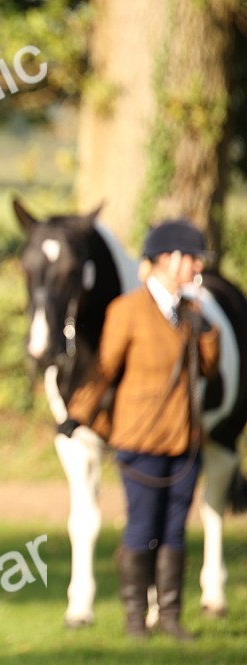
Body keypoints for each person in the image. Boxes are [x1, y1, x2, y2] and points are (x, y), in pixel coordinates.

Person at [63, 219, 219, 641]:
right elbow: (105, 370)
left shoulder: (190, 313)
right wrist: (76, 415)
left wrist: (206, 332)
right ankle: (135, 619)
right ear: (169, 260)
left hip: (184, 441)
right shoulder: (126, 311)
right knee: (141, 528)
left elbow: (207, 369)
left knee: (174, 531)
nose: (196, 268)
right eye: (192, 259)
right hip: (141, 441)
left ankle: (169, 615)